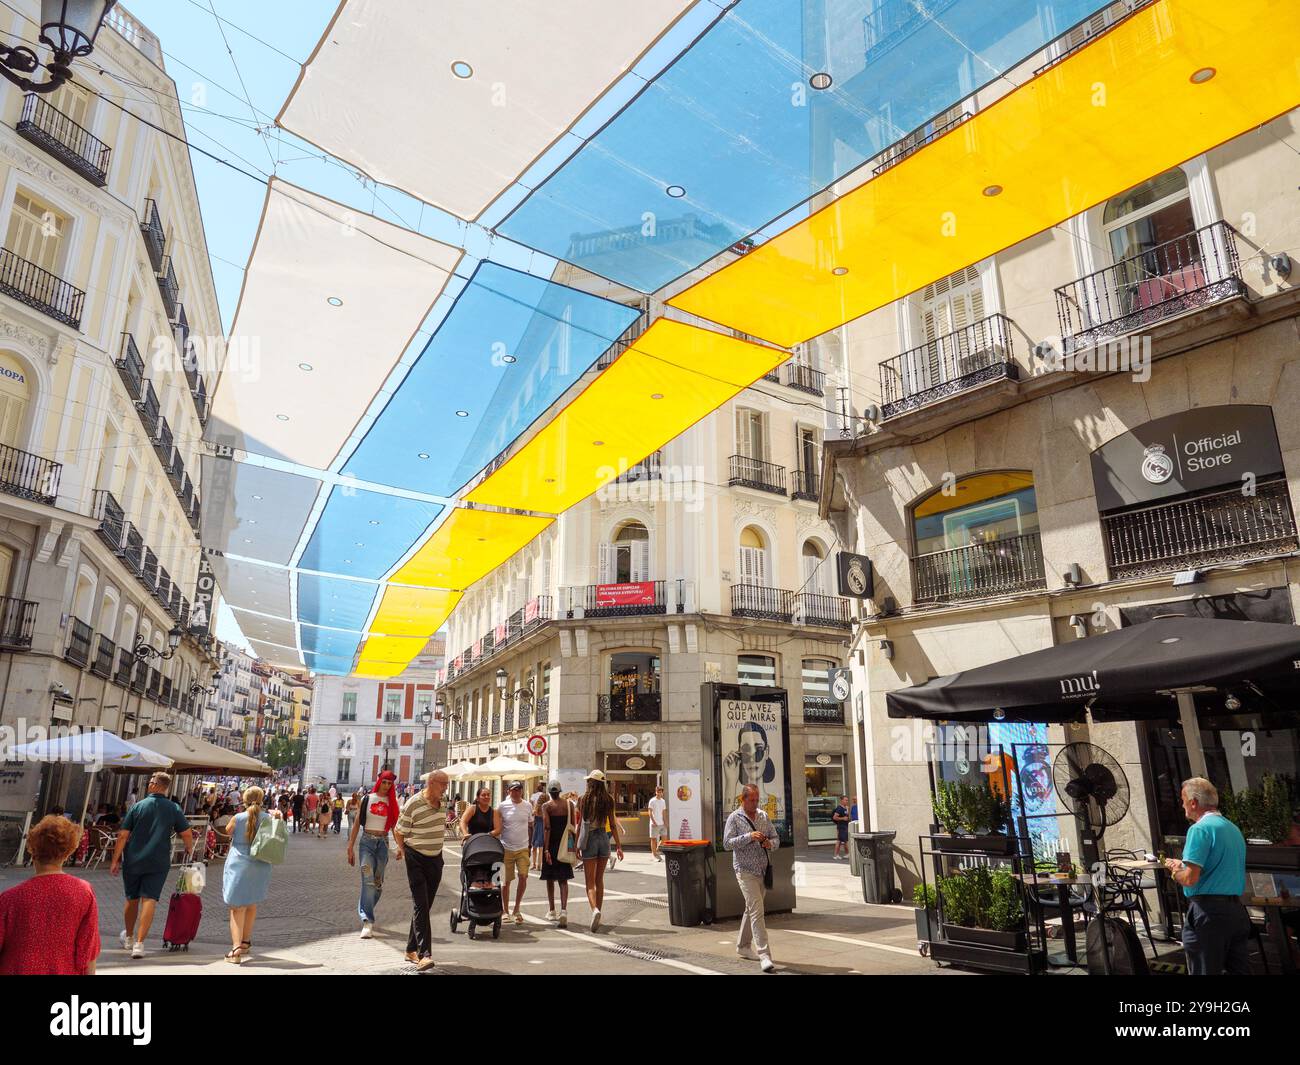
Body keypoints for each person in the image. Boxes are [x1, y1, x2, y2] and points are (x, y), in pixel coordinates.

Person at [1164, 776, 1250, 975]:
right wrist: (1183, 865)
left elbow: (1189, 879)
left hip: (1208, 912)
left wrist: (1175, 871)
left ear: (1193, 802)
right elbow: (1217, 865)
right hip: (1236, 911)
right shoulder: (1232, 828)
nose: (1182, 804)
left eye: (1183, 799)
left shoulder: (1199, 829)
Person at [0, 815, 99, 975]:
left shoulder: (9, 898)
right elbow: (88, 950)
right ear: (67, 853)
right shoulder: (84, 892)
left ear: (32, 850)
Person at [110, 771, 193, 959]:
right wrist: (188, 849)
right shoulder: (173, 808)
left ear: (156, 785)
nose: (149, 783)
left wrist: (115, 860)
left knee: (131, 898)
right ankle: (139, 944)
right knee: (150, 899)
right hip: (159, 860)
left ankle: (129, 938)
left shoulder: (138, 806)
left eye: (151, 781)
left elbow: (123, 835)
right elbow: (186, 832)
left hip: (133, 859)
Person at [215, 786, 283, 965]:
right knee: (251, 903)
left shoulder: (238, 818)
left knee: (236, 907)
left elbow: (227, 831)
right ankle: (245, 942)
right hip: (261, 863)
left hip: (240, 863)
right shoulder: (268, 817)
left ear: (244, 800)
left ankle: (236, 949)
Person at [395, 770, 449, 971]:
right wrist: (403, 851)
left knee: (425, 906)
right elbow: (399, 831)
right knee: (420, 903)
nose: (445, 788)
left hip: (436, 858)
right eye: (443, 784)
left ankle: (410, 949)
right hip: (415, 856)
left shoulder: (443, 803)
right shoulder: (413, 803)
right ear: (432, 782)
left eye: (447, 784)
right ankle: (424, 954)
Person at [724, 783, 779, 972]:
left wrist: (770, 844)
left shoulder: (763, 816)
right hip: (744, 871)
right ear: (743, 799)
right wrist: (749, 836)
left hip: (763, 870)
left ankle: (742, 946)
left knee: (751, 909)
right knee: (757, 911)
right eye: (752, 800)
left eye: (757, 799)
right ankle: (764, 955)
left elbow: (776, 838)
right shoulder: (734, 818)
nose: (755, 803)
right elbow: (727, 843)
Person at [347, 771, 401, 938]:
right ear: (379, 782)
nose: (386, 786)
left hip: (383, 844)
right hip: (367, 843)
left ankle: (365, 905)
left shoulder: (392, 802)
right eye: (384, 782)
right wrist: (350, 847)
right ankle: (367, 921)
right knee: (368, 880)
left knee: (377, 883)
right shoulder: (367, 799)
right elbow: (356, 824)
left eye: (389, 783)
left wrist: (400, 846)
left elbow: (394, 827)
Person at [577, 770, 623, 932]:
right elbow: (613, 823)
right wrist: (618, 845)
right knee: (599, 880)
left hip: (589, 839)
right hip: (603, 838)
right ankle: (599, 913)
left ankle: (594, 910)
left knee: (589, 882)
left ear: (591, 782)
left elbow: (580, 825)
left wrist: (577, 845)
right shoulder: (609, 800)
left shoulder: (584, 799)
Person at [494, 780, 533, 926]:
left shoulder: (528, 805)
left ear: (521, 791)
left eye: (519, 789)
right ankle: (505, 911)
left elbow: (530, 824)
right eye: (513, 790)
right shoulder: (502, 806)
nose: (516, 792)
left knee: (523, 877)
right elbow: (497, 825)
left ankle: (517, 909)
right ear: (508, 791)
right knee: (506, 881)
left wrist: (531, 844)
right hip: (506, 847)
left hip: (523, 847)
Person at [539, 782, 575, 926]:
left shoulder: (546, 806)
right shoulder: (569, 805)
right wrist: (574, 846)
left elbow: (547, 828)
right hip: (565, 844)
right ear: (560, 791)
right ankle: (564, 910)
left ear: (549, 792)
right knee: (563, 879)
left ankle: (552, 910)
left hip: (552, 844)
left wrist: (546, 849)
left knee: (549, 878)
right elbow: (573, 827)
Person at [647, 785, 668, 861]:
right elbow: (649, 812)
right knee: (653, 839)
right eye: (657, 792)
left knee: (664, 839)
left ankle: (657, 850)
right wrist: (653, 821)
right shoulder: (652, 801)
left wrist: (666, 822)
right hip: (654, 823)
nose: (659, 793)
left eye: (660, 792)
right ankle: (655, 855)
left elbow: (664, 812)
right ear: (655, 792)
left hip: (662, 823)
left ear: (662, 793)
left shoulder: (663, 801)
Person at [530, 783, 547, 869]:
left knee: (535, 845)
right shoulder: (547, 808)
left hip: (537, 826)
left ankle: (533, 864)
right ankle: (539, 864)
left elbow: (532, 814)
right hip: (543, 827)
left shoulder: (536, 808)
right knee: (541, 846)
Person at [832, 796, 850, 860]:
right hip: (841, 826)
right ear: (842, 801)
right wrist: (843, 818)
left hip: (845, 826)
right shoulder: (839, 808)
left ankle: (846, 854)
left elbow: (847, 816)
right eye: (845, 800)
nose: (847, 801)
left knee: (843, 840)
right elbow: (834, 817)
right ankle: (836, 855)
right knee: (840, 841)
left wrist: (847, 810)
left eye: (847, 800)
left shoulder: (845, 808)